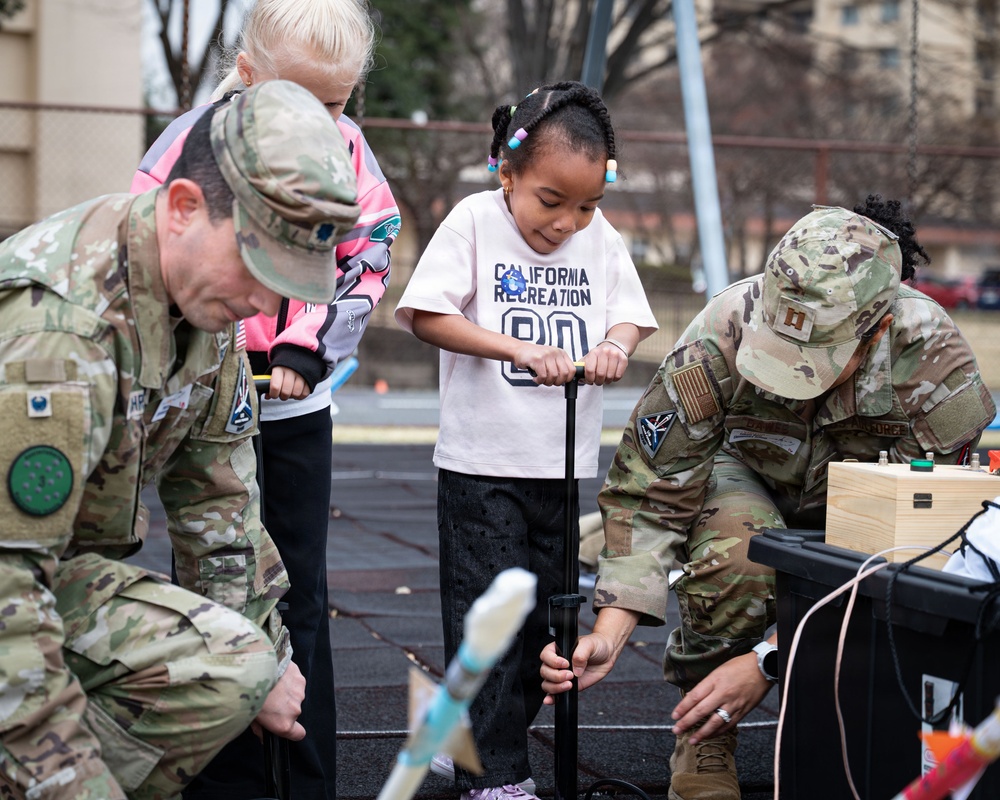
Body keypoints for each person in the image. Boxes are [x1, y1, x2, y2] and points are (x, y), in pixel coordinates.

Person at [539, 196, 998, 799]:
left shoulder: (932, 362)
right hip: (745, 475)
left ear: (877, 328)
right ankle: (705, 736)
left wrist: (767, 660)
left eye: (815, 360)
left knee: (898, 578)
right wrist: (610, 631)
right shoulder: (723, 330)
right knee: (741, 551)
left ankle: (853, 724)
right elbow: (653, 487)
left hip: (869, 510)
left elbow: (941, 544)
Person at [0, 80, 361, 800]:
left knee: (242, 664)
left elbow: (222, 512)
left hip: (51, 576)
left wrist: (269, 663)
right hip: (12, 582)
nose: (265, 305)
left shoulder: (207, 313)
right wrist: (73, 782)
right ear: (184, 207)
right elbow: (5, 591)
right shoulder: (61, 332)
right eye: (258, 267)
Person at [133, 2, 400, 798]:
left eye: (336, 103)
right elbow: (156, 248)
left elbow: (369, 253)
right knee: (209, 582)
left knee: (302, 593)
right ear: (248, 75)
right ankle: (221, 774)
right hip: (203, 405)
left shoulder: (348, 152)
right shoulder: (192, 140)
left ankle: (306, 776)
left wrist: (304, 349)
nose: (322, 120)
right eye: (302, 98)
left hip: (291, 408)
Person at [394, 80, 658, 800]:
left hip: (560, 466)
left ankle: (463, 737)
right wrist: (514, 349)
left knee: (547, 630)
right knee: (492, 620)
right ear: (505, 172)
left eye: (587, 204)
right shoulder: (476, 222)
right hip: (484, 465)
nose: (568, 222)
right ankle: (499, 775)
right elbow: (422, 314)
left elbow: (630, 319)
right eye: (551, 200)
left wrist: (613, 344)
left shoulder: (598, 240)